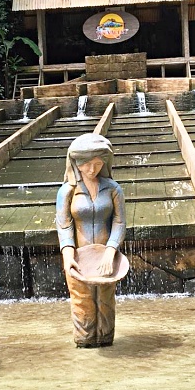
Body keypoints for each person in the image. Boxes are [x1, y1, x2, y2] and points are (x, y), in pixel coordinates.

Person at [55, 133, 127, 347]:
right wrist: (68, 255)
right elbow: (64, 224)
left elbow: (119, 222)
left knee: (105, 301)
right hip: (78, 256)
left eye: (97, 163)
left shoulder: (113, 188)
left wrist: (110, 251)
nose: (91, 169)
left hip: (106, 256)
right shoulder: (67, 191)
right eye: (86, 164)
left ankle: (105, 340)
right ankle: (85, 345)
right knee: (82, 301)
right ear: (76, 163)